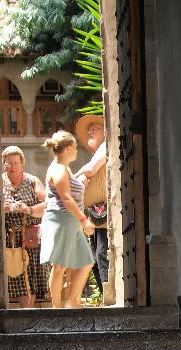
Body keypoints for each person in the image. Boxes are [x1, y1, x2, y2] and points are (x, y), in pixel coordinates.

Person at [40, 131, 95, 309]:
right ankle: (57, 309)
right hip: (62, 219)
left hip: (70, 221)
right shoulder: (58, 169)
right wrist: (84, 219)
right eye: (75, 147)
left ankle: (72, 301)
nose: (77, 150)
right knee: (59, 266)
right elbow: (65, 197)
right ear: (69, 148)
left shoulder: (64, 168)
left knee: (86, 262)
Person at [1, 146, 49, 308]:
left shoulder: (32, 181)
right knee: (15, 278)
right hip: (9, 239)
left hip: (29, 236)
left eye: (16, 163)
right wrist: (3, 208)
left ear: (22, 163)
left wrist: (28, 209)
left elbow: (48, 203)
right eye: (9, 163)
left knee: (30, 278)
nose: (13, 167)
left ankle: (28, 313)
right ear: (3, 164)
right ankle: (22, 315)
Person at [74, 115, 108, 293]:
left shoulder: (106, 146)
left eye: (94, 128)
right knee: (94, 257)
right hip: (95, 216)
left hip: (105, 214)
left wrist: (70, 180)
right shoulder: (96, 153)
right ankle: (104, 294)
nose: (89, 132)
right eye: (89, 130)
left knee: (102, 254)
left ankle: (108, 293)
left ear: (105, 132)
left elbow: (90, 170)